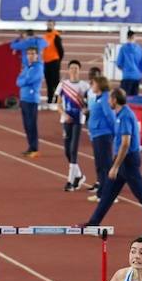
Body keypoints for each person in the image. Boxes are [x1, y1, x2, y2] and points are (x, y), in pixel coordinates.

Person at [83, 88, 142, 233]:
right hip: (122, 160)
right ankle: (93, 222)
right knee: (108, 193)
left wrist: (115, 166)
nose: (108, 102)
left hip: (128, 161)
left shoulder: (125, 116)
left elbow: (126, 143)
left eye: (109, 99)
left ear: (114, 100)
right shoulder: (120, 114)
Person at [58, 59, 88, 191]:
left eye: (76, 68)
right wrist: (64, 114)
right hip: (66, 120)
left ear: (79, 70)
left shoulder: (84, 86)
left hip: (78, 120)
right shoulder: (63, 84)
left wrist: (84, 108)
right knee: (67, 151)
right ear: (68, 70)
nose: (74, 70)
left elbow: (88, 104)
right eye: (72, 68)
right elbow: (58, 104)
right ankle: (79, 175)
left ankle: (70, 181)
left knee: (73, 149)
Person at [85, 74, 114, 199]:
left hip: (103, 135)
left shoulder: (105, 99)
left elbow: (110, 117)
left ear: (100, 85)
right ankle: (101, 193)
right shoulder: (98, 98)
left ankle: (109, 194)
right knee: (100, 165)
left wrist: (114, 133)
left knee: (105, 165)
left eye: (94, 83)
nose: (92, 85)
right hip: (96, 135)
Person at [17, 45, 42, 157]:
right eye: (29, 54)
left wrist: (23, 81)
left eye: (33, 53)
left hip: (32, 100)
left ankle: (35, 148)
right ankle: (30, 147)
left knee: (32, 125)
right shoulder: (27, 67)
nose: (30, 56)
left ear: (37, 55)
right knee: (26, 125)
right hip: (24, 98)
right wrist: (23, 81)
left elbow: (28, 80)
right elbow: (18, 81)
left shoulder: (38, 68)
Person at [116, 29, 142, 96]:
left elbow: (119, 63)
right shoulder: (140, 48)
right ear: (134, 37)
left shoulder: (123, 48)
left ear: (127, 37)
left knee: (124, 98)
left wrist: (125, 70)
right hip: (137, 78)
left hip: (126, 77)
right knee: (134, 99)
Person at [40, 20, 64, 105]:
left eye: (51, 24)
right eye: (48, 24)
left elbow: (61, 50)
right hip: (46, 61)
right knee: (48, 81)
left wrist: (58, 60)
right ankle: (50, 99)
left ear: (54, 25)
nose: (49, 26)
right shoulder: (45, 36)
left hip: (54, 61)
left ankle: (58, 99)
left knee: (55, 81)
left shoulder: (56, 36)